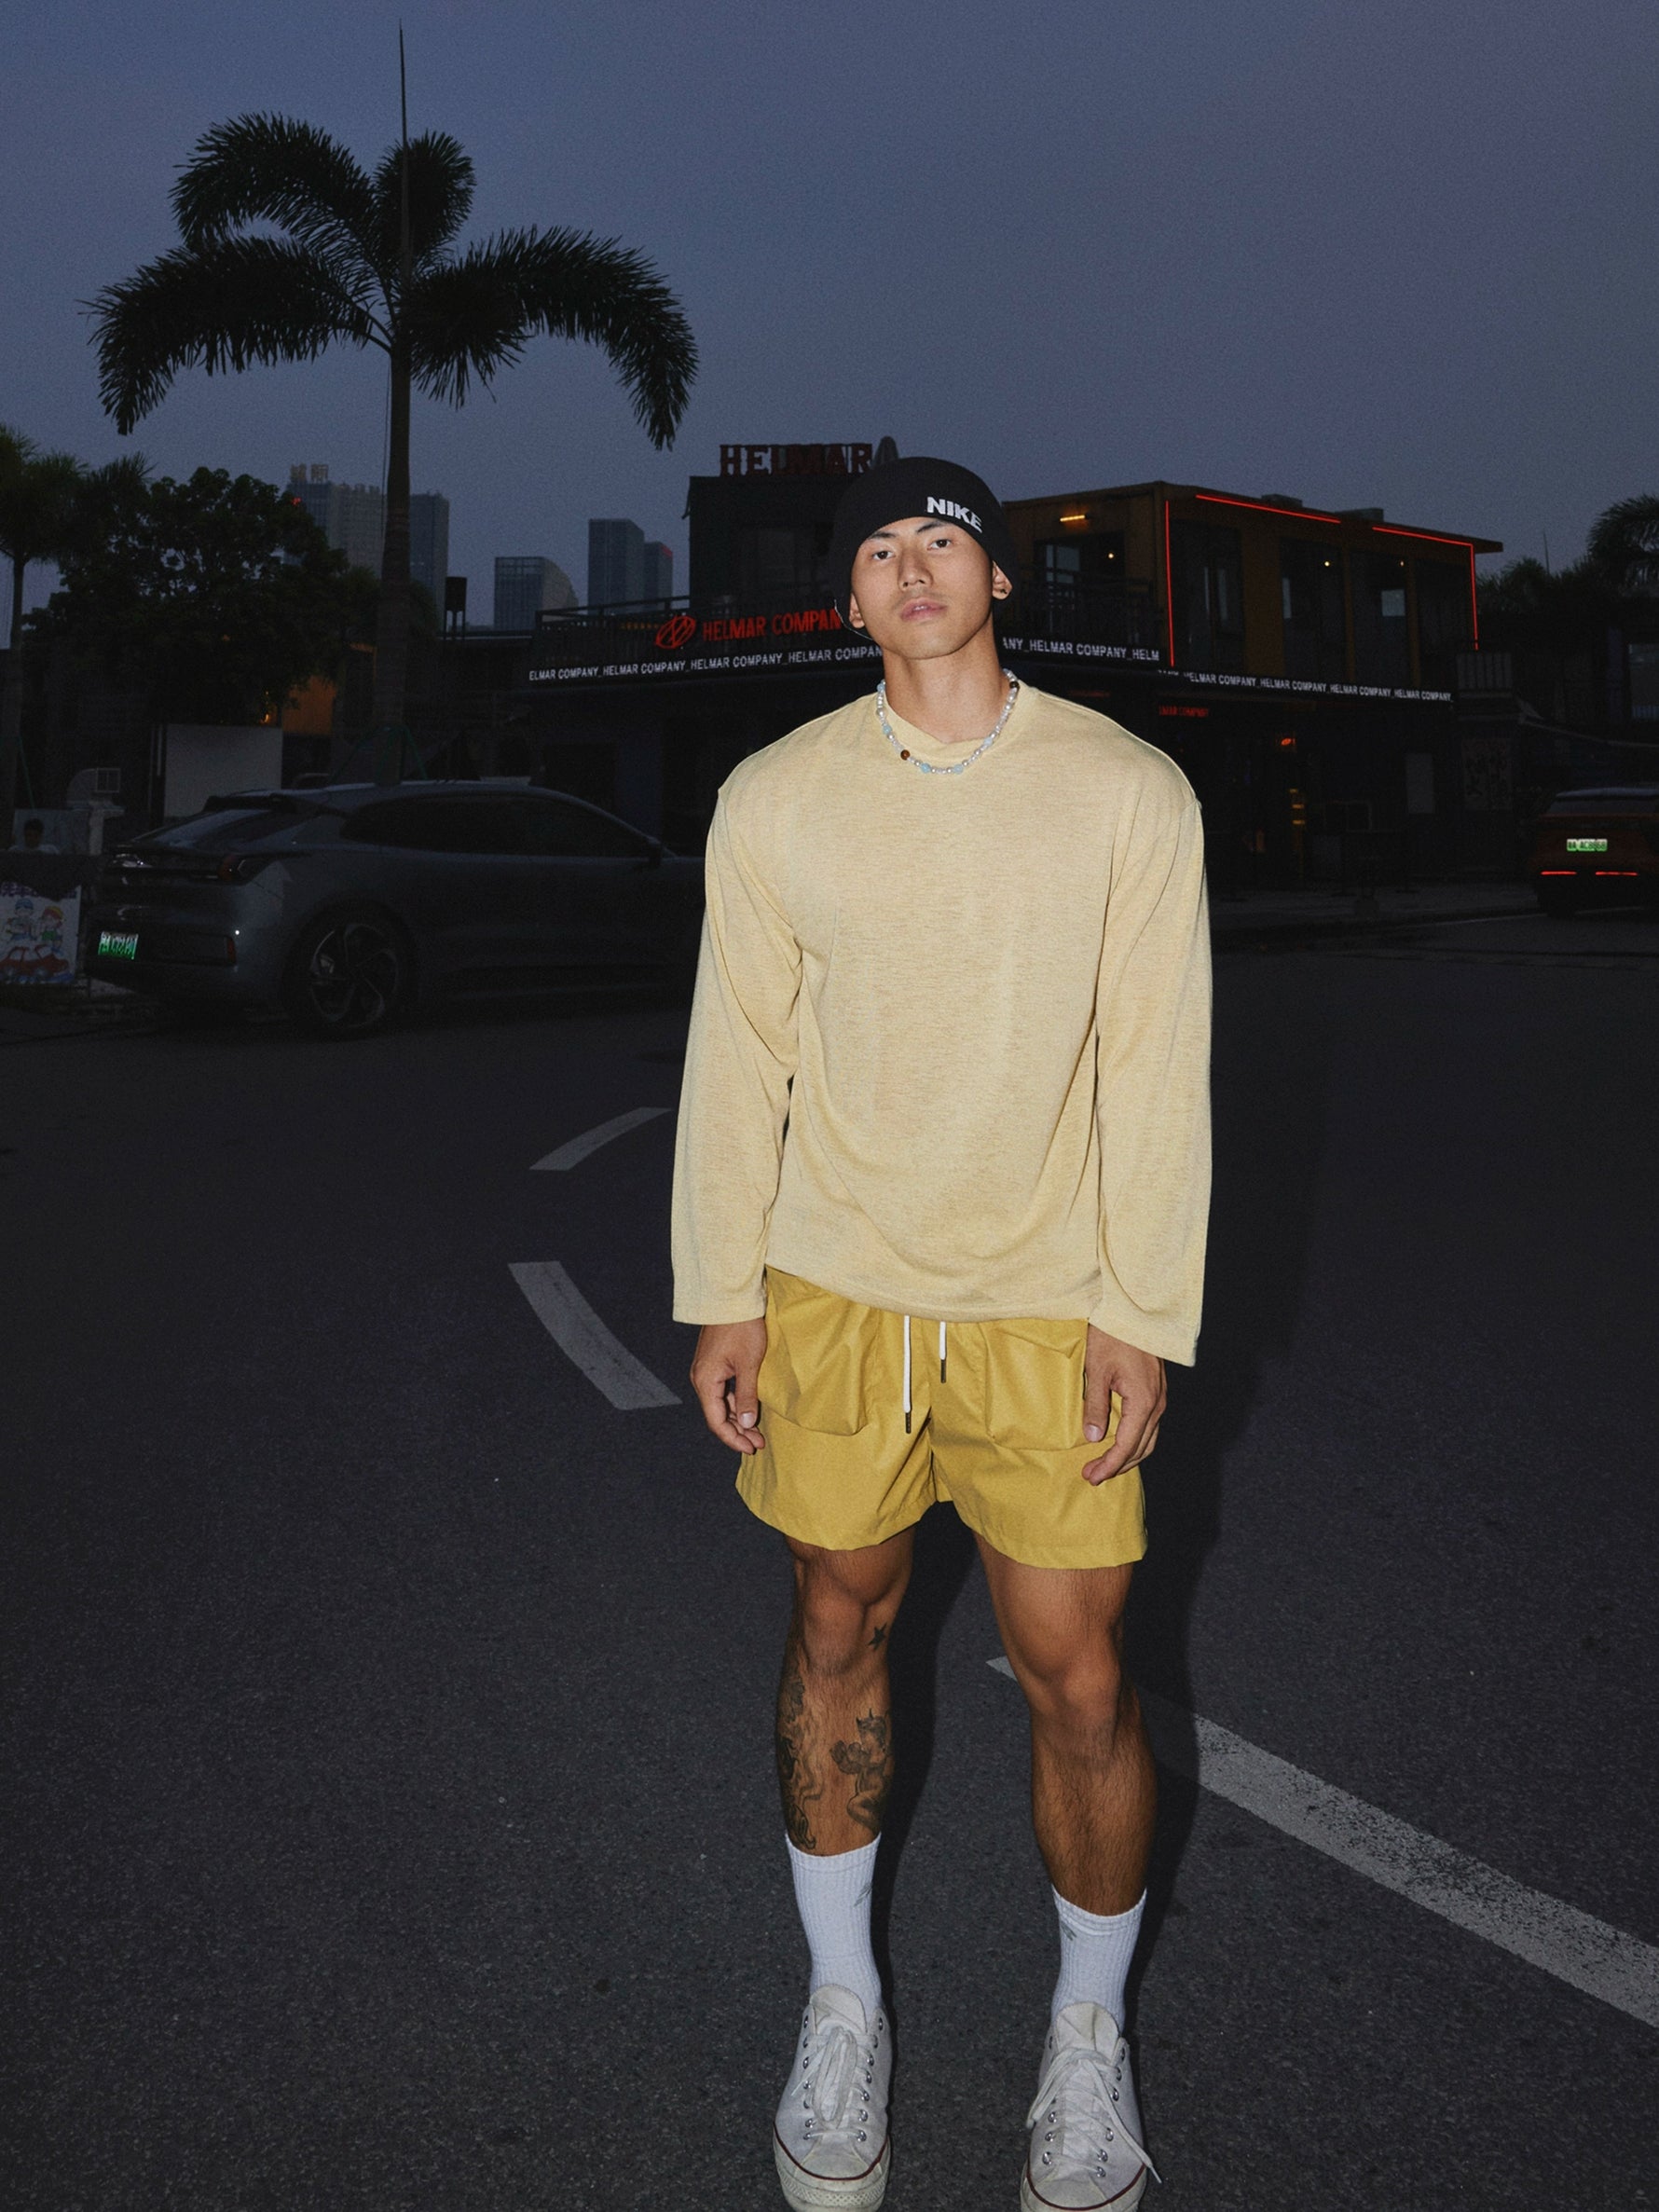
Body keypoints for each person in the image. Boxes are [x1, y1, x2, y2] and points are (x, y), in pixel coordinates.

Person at [672, 456, 1211, 2212]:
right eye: (880, 549)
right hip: (834, 1284)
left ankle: (1087, 2038)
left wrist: (1141, 1308)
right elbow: (738, 1054)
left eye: (945, 539)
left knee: (1080, 1670)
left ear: (999, 579)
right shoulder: (776, 797)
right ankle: (843, 2007)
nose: (914, 566)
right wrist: (725, 1288)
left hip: (1050, 1296)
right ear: (847, 598)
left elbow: (1157, 1065)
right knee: (836, 1622)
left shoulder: (1125, 790)